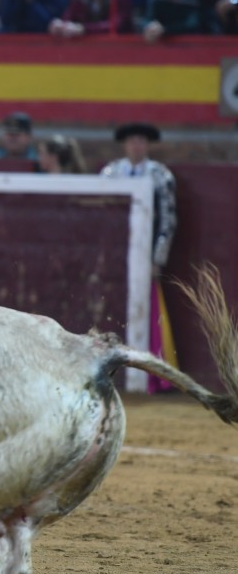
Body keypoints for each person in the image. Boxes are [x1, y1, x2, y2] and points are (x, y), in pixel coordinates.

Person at [100, 122, 178, 393]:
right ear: (125, 144)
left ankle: (152, 375)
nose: (137, 145)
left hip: (144, 257)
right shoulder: (110, 174)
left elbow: (168, 220)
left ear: (148, 145)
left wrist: (158, 257)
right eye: (132, 140)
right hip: (114, 255)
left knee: (149, 311)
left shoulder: (160, 176)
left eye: (141, 141)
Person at [48, 0, 135, 37]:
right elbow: (67, 20)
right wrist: (60, 26)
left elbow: (115, 26)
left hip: (119, 51)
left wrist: (84, 29)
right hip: (85, 51)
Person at [142, 0, 211, 41]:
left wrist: (164, 30)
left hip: (199, 44)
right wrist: (149, 27)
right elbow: (147, 19)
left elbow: (192, 23)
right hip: (166, 47)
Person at [0, 0, 69, 33]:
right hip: (16, 37)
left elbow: (50, 24)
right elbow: (5, 22)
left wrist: (30, 0)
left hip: (43, 38)